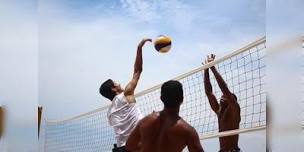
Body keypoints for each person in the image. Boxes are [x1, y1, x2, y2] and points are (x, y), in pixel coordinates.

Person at [99, 38, 152, 152]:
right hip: (137, 145)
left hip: (122, 148)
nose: (118, 82)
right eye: (115, 82)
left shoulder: (110, 113)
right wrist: (139, 48)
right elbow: (137, 70)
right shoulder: (126, 94)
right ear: (114, 88)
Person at [126, 80, 204, 152]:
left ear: (161, 98)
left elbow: (130, 146)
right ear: (182, 99)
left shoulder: (145, 121)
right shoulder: (187, 131)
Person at [203, 54, 241, 152]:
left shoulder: (235, 109)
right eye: (222, 96)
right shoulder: (219, 111)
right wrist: (206, 69)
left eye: (225, 96)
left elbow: (225, 89)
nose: (222, 97)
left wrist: (213, 67)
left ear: (232, 100)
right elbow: (209, 93)